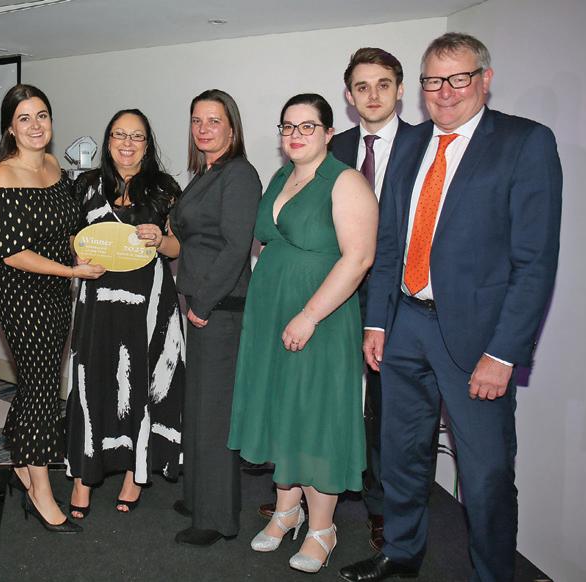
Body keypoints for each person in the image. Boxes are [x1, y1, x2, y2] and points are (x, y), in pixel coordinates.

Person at [339, 33, 562, 582]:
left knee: (485, 475)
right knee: (401, 455)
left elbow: (535, 262)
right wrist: (377, 320)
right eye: (434, 80)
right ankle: (401, 552)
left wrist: (504, 354)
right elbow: (390, 242)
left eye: (459, 78)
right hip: (405, 325)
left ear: (485, 79)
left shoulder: (524, 142)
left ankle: (493, 573)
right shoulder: (411, 143)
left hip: (479, 342)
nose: (445, 91)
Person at [228, 93, 377, 573]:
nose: (295, 135)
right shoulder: (281, 177)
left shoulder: (346, 181)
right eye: (288, 127)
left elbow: (359, 258)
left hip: (320, 316)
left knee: (315, 414)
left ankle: (322, 528)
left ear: (329, 133)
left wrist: (310, 315)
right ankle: (287, 511)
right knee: (282, 408)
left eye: (307, 126)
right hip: (272, 310)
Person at [0, 84, 104, 534]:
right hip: (23, 295)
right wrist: (71, 272)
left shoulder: (54, 167)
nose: (36, 125)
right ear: (10, 128)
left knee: (41, 382)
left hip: (56, 293)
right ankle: (41, 493)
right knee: (42, 391)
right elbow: (10, 254)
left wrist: (79, 253)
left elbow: (67, 228)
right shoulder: (2, 176)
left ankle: (20, 462)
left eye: (42, 115)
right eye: (25, 118)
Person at [65, 109, 185, 518]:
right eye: (119, 134)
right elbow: (71, 237)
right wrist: (76, 253)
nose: (127, 143)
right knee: (91, 382)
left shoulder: (165, 189)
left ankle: (135, 474)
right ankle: (82, 478)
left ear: (147, 145)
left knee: (140, 385)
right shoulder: (86, 185)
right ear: (108, 140)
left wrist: (161, 240)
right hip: (98, 302)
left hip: (148, 305)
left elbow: (178, 247)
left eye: (136, 136)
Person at [169, 89, 261, 546]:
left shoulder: (239, 174)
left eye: (213, 120)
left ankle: (217, 518)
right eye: (197, 120)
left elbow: (236, 247)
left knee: (214, 414)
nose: (203, 128)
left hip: (220, 309)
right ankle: (198, 497)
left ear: (232, 127)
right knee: (199, 407)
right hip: (202, 304)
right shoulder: (206, 173)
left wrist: (202, 304)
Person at [329, 47, 413, 552]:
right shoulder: (333, 146)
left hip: (400, 300)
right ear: (349, 95)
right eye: (362, 86)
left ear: (400, 90)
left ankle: (383, 507)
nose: (373, 95)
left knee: (386, 409)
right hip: (338, 291)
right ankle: (318, 488)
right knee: (329, 394)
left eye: (383, 84)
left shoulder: (426, 143)